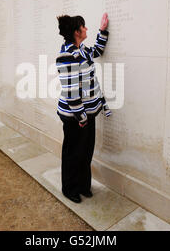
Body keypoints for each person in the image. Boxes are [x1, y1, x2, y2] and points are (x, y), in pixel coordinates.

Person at [56, 13, 111, 204]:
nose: (87, 29)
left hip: (88, 112)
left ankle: (82, 186)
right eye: (84, 27)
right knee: (73, 152)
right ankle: (69, 188)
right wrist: (82, 118)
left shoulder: (82, 50)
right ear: (77, 32)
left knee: (86, 151)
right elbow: (71, 93)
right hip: (75, 116)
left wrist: (102, 31)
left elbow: (97, 51)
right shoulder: (66, 56)